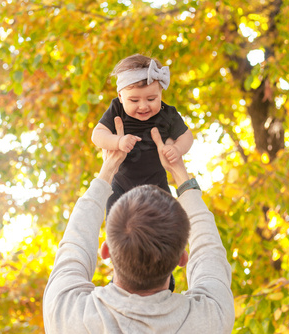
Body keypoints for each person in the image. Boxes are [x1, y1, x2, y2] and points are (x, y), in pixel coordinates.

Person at [43, 118, 235, 333]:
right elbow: (209, 251)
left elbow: (75, 243)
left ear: (106, 250)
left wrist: (108, 169)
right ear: (182, 258)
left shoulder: (67, 314)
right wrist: (180, 172)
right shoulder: (210, 318)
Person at [91, 54, 193, 212]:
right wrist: (117, 142)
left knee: (166, 220)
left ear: (161, 94)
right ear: (120, 97)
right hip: (121, 185)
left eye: (152, 99)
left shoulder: (167, 113)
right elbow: (97, 135)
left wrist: (178, 149)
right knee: (115, 219)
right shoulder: (117, 109)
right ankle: (112, 238)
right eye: (134, 100)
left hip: (157, 185)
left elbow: (187, 136)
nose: (144, 106)